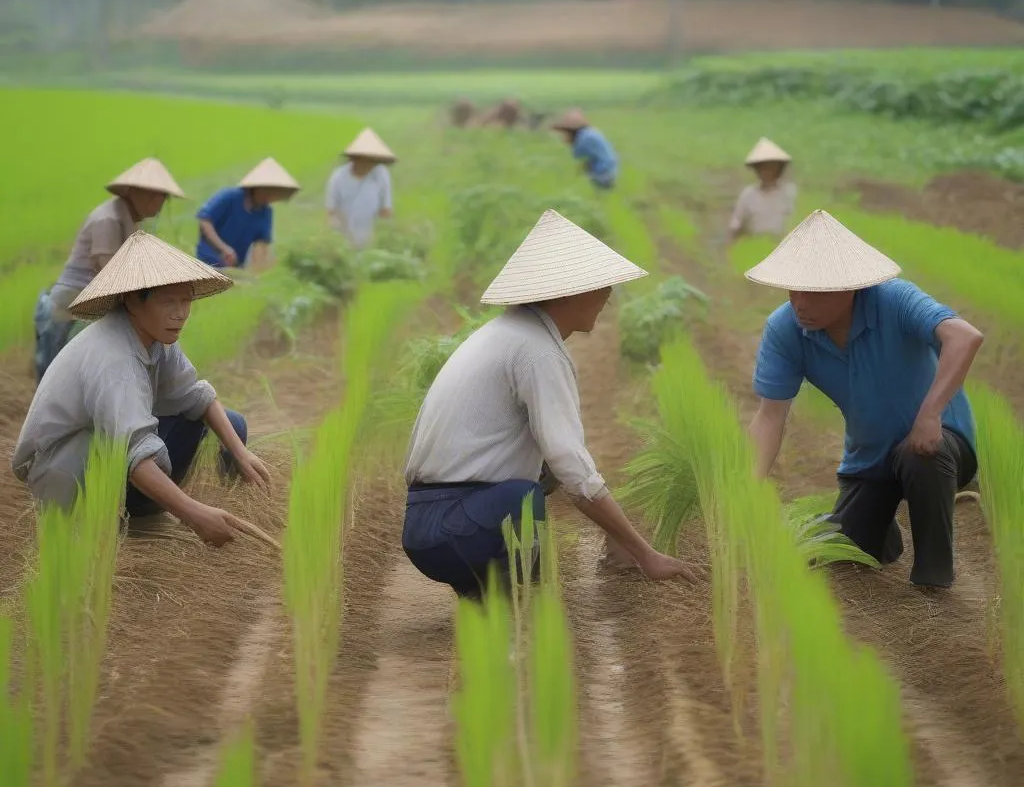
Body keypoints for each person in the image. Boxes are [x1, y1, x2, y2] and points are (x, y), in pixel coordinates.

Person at [402, 209, 698, 599]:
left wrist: (615, 537)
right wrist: (646, 553)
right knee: (527, 494)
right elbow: (573, 464)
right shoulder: (537, 352)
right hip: (455, 529)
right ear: (568, 293)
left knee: (543, 473)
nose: (608, 297)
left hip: (431, 524)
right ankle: (517, 606)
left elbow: (562, 465)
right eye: (601, 287)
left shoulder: (503, 334)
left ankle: (484, 592)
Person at [746, 210, 983, 589]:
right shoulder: (785, 329)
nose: (799, 303)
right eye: (792, 290)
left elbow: (964, 336)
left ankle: (933, 576)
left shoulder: (895, 299)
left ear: (849, 287)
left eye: (812, 292)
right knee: (837, 550)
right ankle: (879, 532)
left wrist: (930, 414)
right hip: (870, 456)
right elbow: (770, 416)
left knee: (920, 455)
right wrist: (750, 484)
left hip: (940, 442)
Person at [13, 230, 272, 546]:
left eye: (185, 301)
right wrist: (194, 515)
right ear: (133, 300)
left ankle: (141, 512)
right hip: (64, 466)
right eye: (168, 302)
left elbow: (196, 394)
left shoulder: (155, 336)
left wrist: (241, 453)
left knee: (228, 422)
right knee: (136, 451)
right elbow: (134, 452)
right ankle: (99, 523)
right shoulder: (113, 359)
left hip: (105, 446)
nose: (180, 314)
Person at [34, 158, 185, 382]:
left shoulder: (128, 220)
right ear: (137, 193)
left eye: (163, 196)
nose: (161, 202)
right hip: (74, 301)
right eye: (156, 195)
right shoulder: (109, 219)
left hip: (95, 301)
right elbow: (111, 276)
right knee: (56, 374)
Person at [195, 158, 299, 270]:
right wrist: (224, 249)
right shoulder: (230, 196)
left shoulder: (266, 212)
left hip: (234, 268)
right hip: (207, 263)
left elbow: (261, 244)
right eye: (267, 191)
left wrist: (261, 270)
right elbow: (205, 221)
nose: (270, 196)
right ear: (257, 187)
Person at [325, 128, 396, 249]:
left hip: (372, 243)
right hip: (343, 242)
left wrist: (383, 240)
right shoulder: (338, 177)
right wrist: (336, 239)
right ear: (354, 158)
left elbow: (386, 211)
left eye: (372, 160)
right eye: (364, 159)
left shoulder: (381, 175)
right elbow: (331, 213)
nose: (368, 165)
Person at [727, 137, 798, 243]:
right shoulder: (748, 195)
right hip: (757, 248)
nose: (767, 171)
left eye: (771, 166)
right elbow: (736, 226)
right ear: (756, 169)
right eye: (762, 167)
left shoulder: (790, 193)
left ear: (779, 168)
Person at [551, 109, 618, 190]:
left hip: (602, 175)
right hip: (610, 172)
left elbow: (578, 157)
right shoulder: (589, 133)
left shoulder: (583, 139)